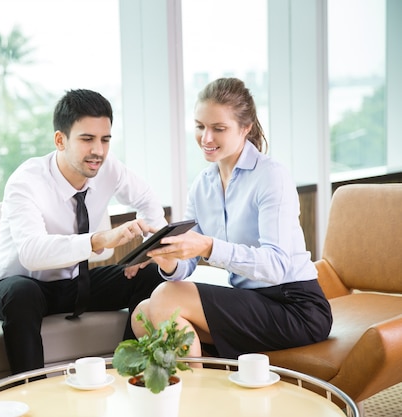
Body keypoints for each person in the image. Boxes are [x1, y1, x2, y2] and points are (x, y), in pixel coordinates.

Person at [132, 77, 333, 359]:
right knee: (143, 314)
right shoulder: (202, 185)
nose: (206, 138)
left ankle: (196, 398)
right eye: (200, 126)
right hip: (251, 302)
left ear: (245, 128)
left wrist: (209, 247)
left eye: (219, 128)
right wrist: (168, 261)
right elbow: (185, 266)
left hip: (295, 306)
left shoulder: (270, 175)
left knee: (166, 299)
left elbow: (276, 266)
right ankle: (198, 390)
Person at [0, 88, 168, 375]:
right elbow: (32, 253)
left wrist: (149, 250)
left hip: (75, 283)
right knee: (23, 294)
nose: (98, 150)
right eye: (87, 139)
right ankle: (32, 391)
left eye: (104, 139)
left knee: (151, 274)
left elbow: (148, 200)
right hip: (20, 286)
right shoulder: (27, 180)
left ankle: (129, 371)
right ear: (60, 140)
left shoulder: (109, 168)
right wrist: (97, 241)